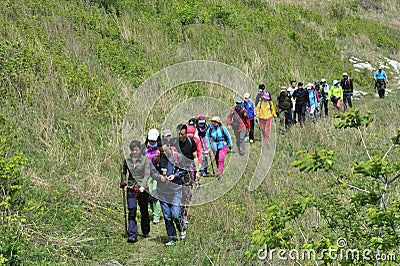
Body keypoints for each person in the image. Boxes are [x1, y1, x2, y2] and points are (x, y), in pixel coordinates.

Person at [150, 139, 187, 246]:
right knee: (167, 216)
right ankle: (172, 239)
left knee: (175, 213)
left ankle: (182, 227)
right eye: (161, 151)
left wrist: (174, 176)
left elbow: (184, 170)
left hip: (176, 189)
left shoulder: (178, 157)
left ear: (169, 146)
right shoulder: (155, 158)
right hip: (162, 191)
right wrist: (159, 177)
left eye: (165, 150)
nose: (164, 153)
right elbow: (152, 172)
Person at [121, 140, 150, 243]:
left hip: (143, 189)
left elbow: (147, 174)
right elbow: (123, 172)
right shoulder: (127, 160)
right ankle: (132, 234)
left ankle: (145, 230)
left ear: (140, 150)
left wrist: (142, 186)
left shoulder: (145, 160)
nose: (134, 152)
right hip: (130, 188)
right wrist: (123, 181)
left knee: (144, 211)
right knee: (132, 210)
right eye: (133, 150)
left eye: (136, 150)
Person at [176, 124, 200, 224]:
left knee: (187, 194)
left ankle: (184, 214)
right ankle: (178, 213)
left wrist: (197, 171)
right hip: (177, 171)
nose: (180, 136)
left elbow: (195, 157)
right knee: (178, 193)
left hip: (189, 171)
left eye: (182, 134)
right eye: (179, 134)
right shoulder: (174, 143)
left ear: (186, 134)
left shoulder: (191, 143)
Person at [144, 128, 162, 225]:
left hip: (157, 174)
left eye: (153, 141)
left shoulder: (160, 149)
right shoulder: (144, 149)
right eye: (150, 140)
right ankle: (154, 211)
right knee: (150, 195)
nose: (152, 142)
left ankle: (156, 215)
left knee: (155, 194)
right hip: (147, 174)